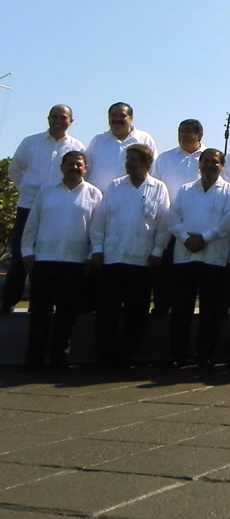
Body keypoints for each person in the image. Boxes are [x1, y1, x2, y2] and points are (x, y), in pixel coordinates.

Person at [90, 144, 171, 369]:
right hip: (113, 258)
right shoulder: (115, 186)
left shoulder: (159, 188)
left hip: (141, 260)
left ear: (147, 164)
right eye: (128, 159)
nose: (129, 163)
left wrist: (157, 251)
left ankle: (127, 356)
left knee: (136, 314)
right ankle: (105, 357)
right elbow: (100, 221)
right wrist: (97, 248)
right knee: (107, 312)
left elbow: (163, 224)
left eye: (134, 159)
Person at [20, 151, 101, 370]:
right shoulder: (46, 191)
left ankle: (58, 359)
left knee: (67, 316)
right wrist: (27, 253)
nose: (74, 168)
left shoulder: (94, 194)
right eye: (70, 164)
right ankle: (33, 360)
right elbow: (32, 226)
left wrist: (90, 257)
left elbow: (97, 231)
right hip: (44, 261)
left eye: (79, 164)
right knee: (39, 314)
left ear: (86, 168)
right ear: (61, 167)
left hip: (75, 264)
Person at [3, 105, 85, 315]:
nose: (58, 120)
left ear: (71, 121)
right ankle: (9, 299)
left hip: (58, 209)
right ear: (48, 118)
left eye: (63, 117)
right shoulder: (30, 142)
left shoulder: (77, 146)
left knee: (49, 257)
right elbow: (14, 170)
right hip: (29, 205)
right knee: (21, 253)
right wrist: (28, 191)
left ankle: (41, 300)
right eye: (54, 116)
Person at [165, 149, 230, 369]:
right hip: (184, 256)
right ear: (199, 164)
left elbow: (228, 222)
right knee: (181, 309)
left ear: (222, 165)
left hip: (213, 258)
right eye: (205, 161)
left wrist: (205, 238)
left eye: (214, 162)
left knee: (210, 311)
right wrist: (185, 238)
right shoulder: (185, 190)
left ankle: (204, 354)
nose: (209, 165)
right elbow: (173, 218)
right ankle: (179, 354)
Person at [150, 118, 206, 315]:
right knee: (165, 268)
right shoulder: (165, 159)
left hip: (198, 225)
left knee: (192, 273)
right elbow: (154, 188)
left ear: (199, 135)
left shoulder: (209, 158)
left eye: (188, 131)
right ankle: (162, 305)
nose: (183, 135)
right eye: (181, 131)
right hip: (169, 222)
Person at [85, 102, 159, 193]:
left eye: (122, 116)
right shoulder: (98, 141)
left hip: (131, 197)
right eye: (113, 115)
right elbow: (86, 170)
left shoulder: (144, 139)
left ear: (131, 118)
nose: (117, 119)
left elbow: (153, 170)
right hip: (99, 199)